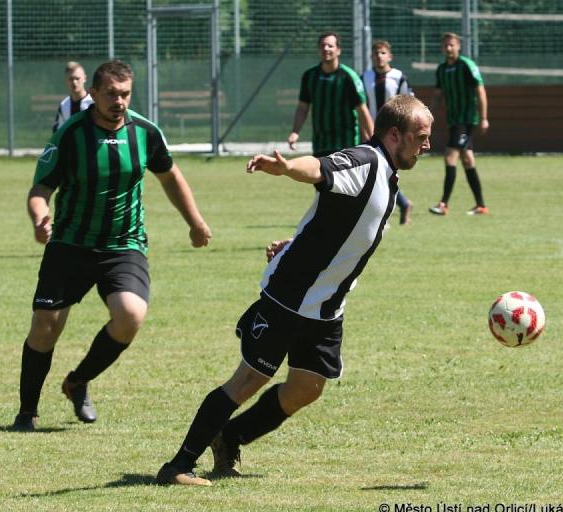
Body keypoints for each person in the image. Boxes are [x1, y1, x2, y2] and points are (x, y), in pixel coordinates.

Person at [156, 95, 433, 486]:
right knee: (248, 380)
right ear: (394, 134)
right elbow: (319, 168)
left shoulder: (388, 175)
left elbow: (344, 226)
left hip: (326, 305)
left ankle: (231, 435)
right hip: (292, 295)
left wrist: (297, 241)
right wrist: (287, 168)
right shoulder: (365, 161)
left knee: (306, 387)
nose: (427, 145)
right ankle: (177, 466)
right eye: (420, 137)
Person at [12, 60, 212, 432]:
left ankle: (78, 381)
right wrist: (40, 218)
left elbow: (170, 177)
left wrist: (195, 222)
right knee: (45, 327)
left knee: (130, 316)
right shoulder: (71, 133)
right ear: (93, 94)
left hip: (123, 245)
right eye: (111, 94)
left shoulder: (145, 132)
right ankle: (27, 412)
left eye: (125, 94)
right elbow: (40, 189)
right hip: (70, 243)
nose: (119, 101)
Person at [428, 32, 489, 216]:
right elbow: (438, 95)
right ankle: (481, 206)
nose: (449, 48)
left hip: (467, 119)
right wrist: (428, 115)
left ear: (458, 46)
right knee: (468, 160)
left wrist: (484, 118)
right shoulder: (441, 69)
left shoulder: (466, 65)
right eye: (445, 45)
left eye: (452, 45)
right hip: (453, 120)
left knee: (450, 156)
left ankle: (443, 204)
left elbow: (480, 91)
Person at [288, 32, 373, 157]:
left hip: (346, 145)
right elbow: (303, 107)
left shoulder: (349, 77)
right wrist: (295, 132)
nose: (326, 48)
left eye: (330, 46)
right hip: (320, 145)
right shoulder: (310, 76)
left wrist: (373, 140)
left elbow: (362, 111)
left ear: (338, 50)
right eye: (322, 46)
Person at [363, 40, 415, 225]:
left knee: (383, 171)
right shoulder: (365, 77)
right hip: (370, 132)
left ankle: (399, 205)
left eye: (383, 53)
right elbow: (361, 105)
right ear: (371, 56)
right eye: (376, 53)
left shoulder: (398, 77)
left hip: (392, 134)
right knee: (375, 171)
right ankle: (401, 204)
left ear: (390, 56)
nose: (379, 56)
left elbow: (409, 104)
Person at [53, 61, 94, 133]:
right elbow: (59, 132)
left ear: (85, 78)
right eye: (71, 79)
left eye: (77, 78)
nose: (74, 82)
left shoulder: (94, 102)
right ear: (66, 81)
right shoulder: (64, 105)